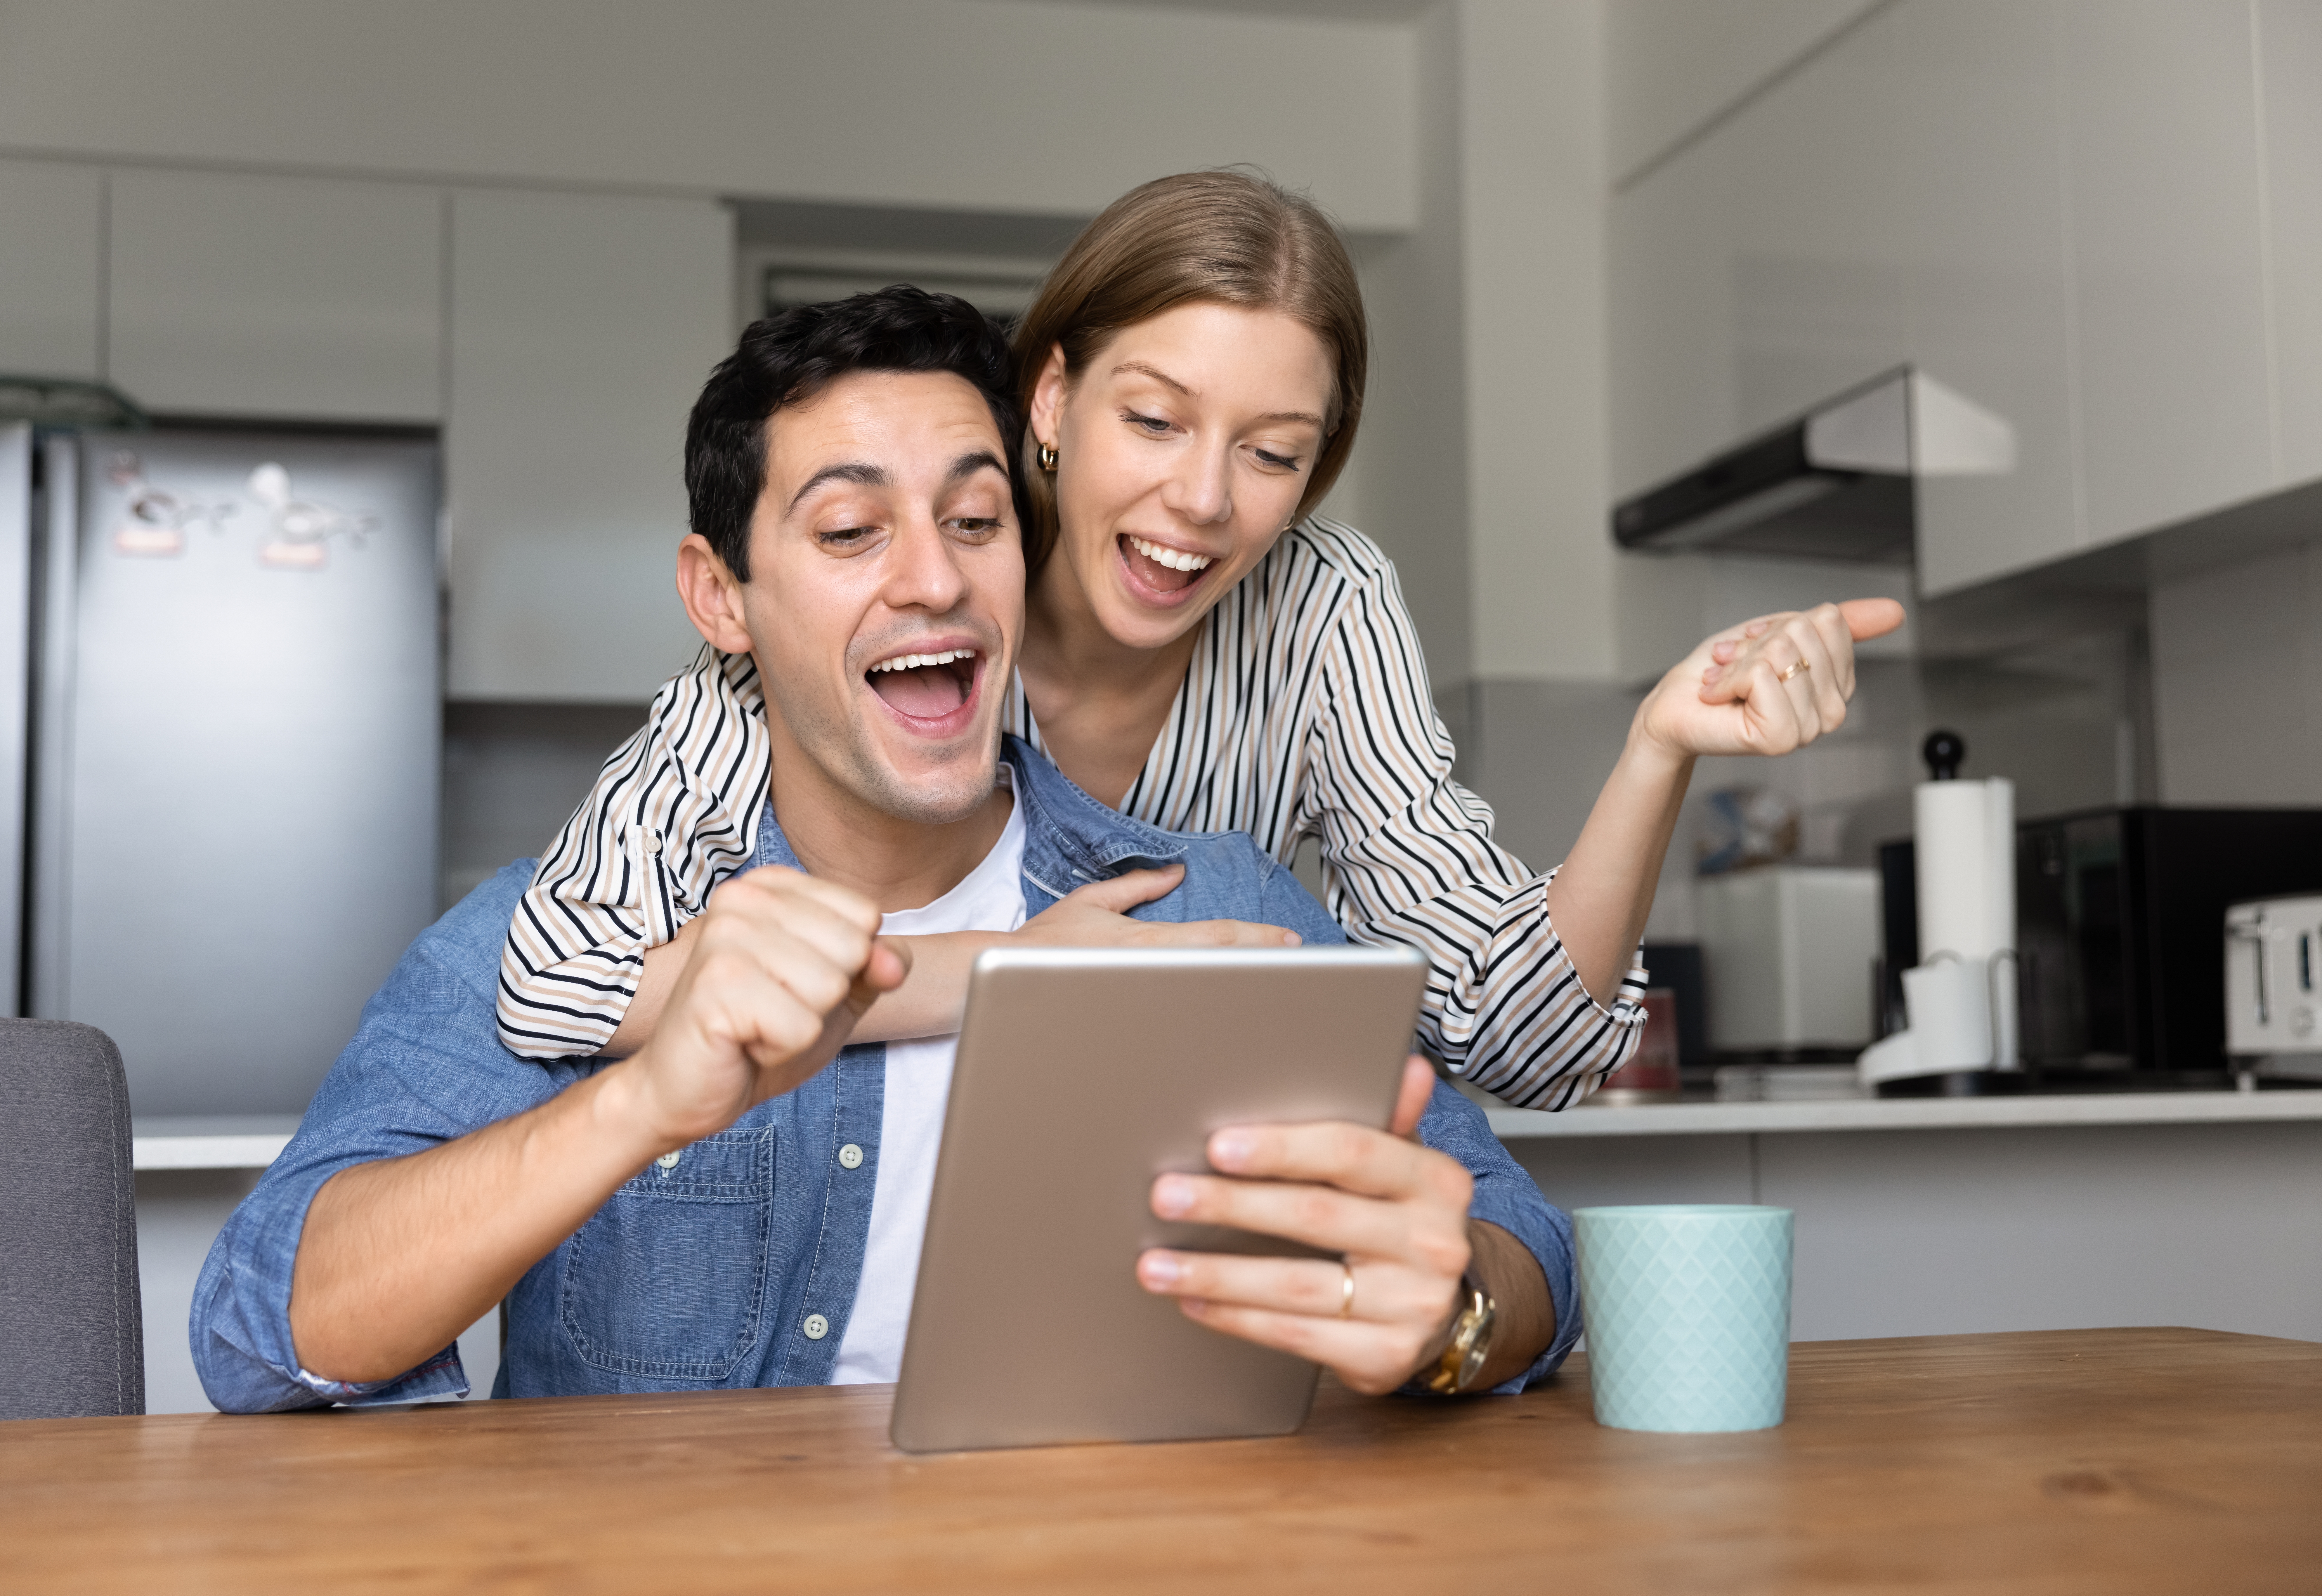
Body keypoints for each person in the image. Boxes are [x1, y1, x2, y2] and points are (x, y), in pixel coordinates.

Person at [192, 287, 1574, 1411]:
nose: (932, 574)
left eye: (976, 521)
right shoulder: (600, 922)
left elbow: (1525, 1253)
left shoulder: (1215, 910)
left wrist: (1448, 1310)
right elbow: (263, 1327)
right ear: (720, 598)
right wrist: (640, 1102)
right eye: (851, 530)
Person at [497, 170, 1903, 1109]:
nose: (1202, 500)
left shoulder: (1320, 608)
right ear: (1048, 400)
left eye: (1272, 451)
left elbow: (1514, 1042)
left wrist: (1658, 745)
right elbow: (556, 975)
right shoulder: (889, 608)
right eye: (1154, 420)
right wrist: (1001, 976)